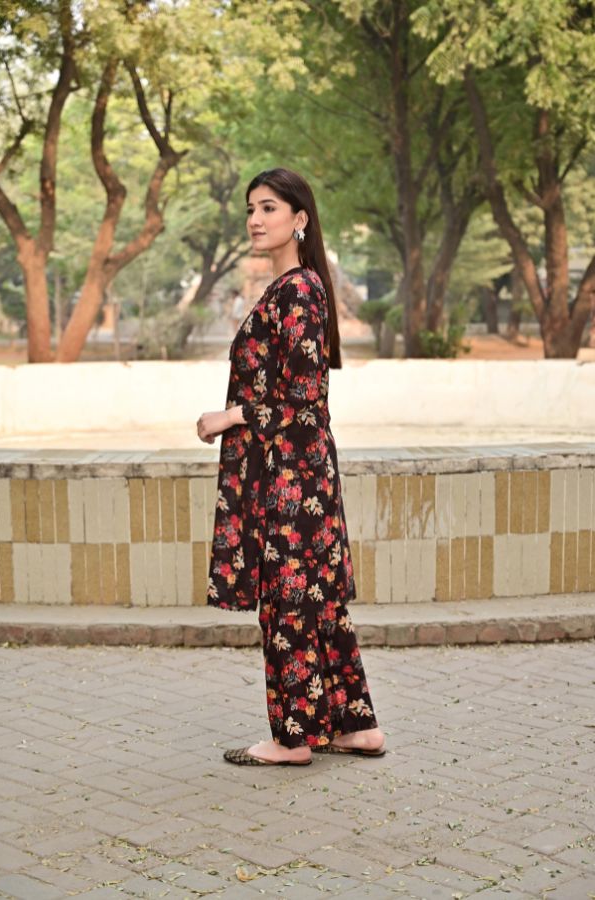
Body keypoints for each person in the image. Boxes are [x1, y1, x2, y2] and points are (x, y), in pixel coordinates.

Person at [196, 167, 385, 767]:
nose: (255, 219)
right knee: (320, 597)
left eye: (269, 208)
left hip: (290, 475)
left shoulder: (298, 289)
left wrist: (228, 418)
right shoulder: (297, 288)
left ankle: (291, 738)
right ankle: (357, 726)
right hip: (302, 468)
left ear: (300, 219)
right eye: (251, 208)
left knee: (289, 598)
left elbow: (302, 394)